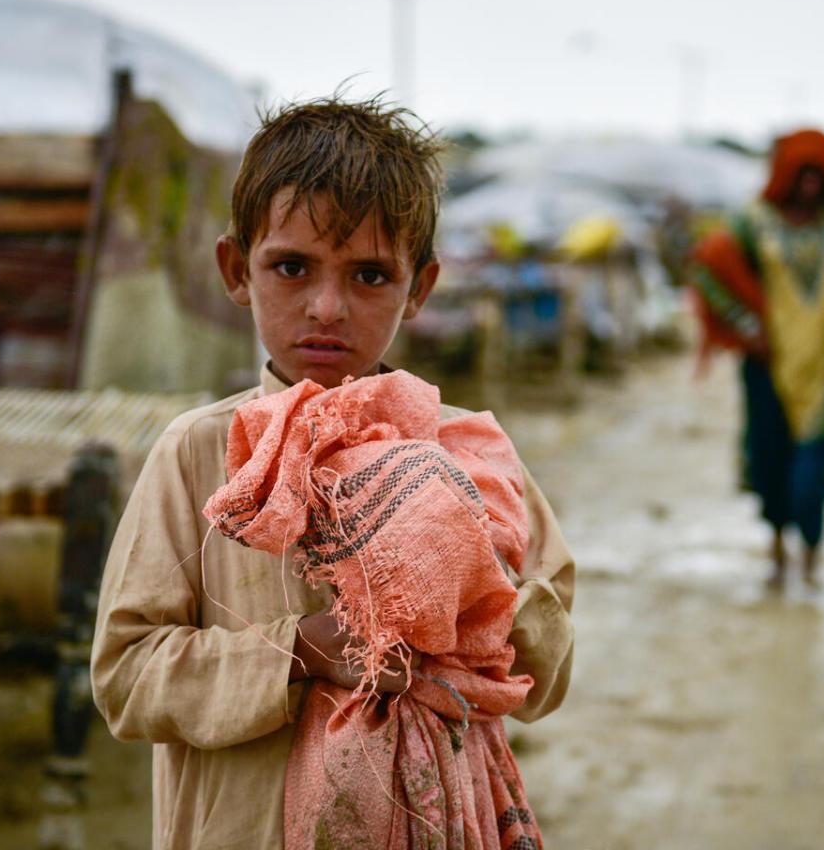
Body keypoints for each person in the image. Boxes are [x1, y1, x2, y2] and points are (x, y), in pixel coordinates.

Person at [90, 97, 574, 849]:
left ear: (420, 288)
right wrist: (302, 651)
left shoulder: (468, 457)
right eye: (291, 267)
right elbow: (125, 676)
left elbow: (546, 667)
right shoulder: (196, 454)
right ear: (235, 270)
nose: (327, 306)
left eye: (370, 275)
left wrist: (475, 605)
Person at [689, 129, 824, 586]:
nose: (811, 186)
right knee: (772, 463)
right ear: (784, 176)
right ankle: (778, 554)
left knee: (813, 476)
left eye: (820, 175)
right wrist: (747, 327)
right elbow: (707, 267)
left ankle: (812, 558)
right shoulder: (752, 221)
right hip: (768, 367)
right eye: (802, 174)